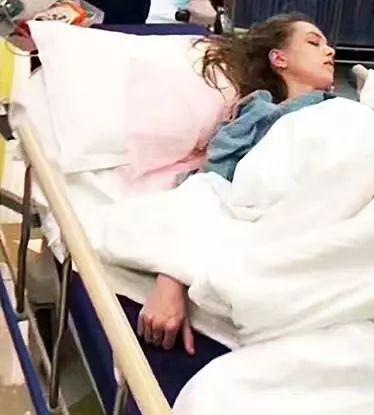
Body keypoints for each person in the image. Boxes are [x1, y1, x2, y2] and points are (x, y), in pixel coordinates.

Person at [136, 13, 335, 354]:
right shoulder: (260, 115)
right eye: (314, 43)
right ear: (279, 59)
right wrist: (172, 278)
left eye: (327, 45)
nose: (330, 51)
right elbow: (210, 188)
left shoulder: (348, 109)